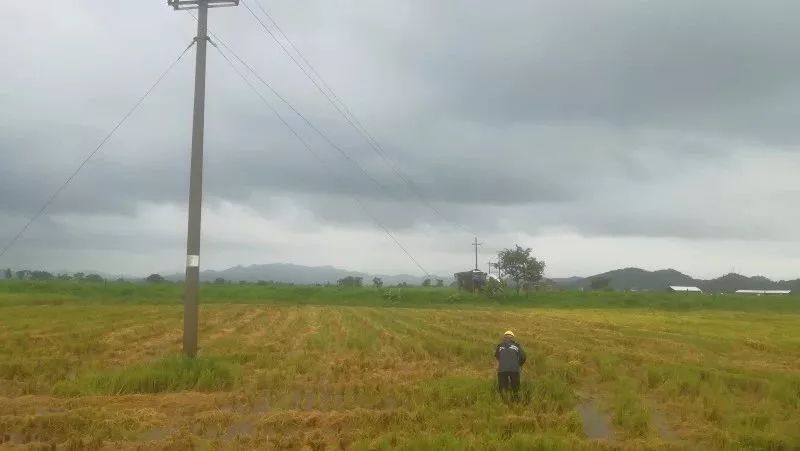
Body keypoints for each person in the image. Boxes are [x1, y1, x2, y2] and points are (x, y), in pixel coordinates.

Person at [494, 330, 526, 397]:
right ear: (512, 338)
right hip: (514, 369)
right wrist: (519, 365)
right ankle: (515, 401)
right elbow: (523, 357)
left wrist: (497, 368)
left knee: (502, 388)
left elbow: (497, 358)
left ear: (504, 337)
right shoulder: (516, 346)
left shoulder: (500, 346)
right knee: (515, 388)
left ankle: (503, 401)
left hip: (502, 369)